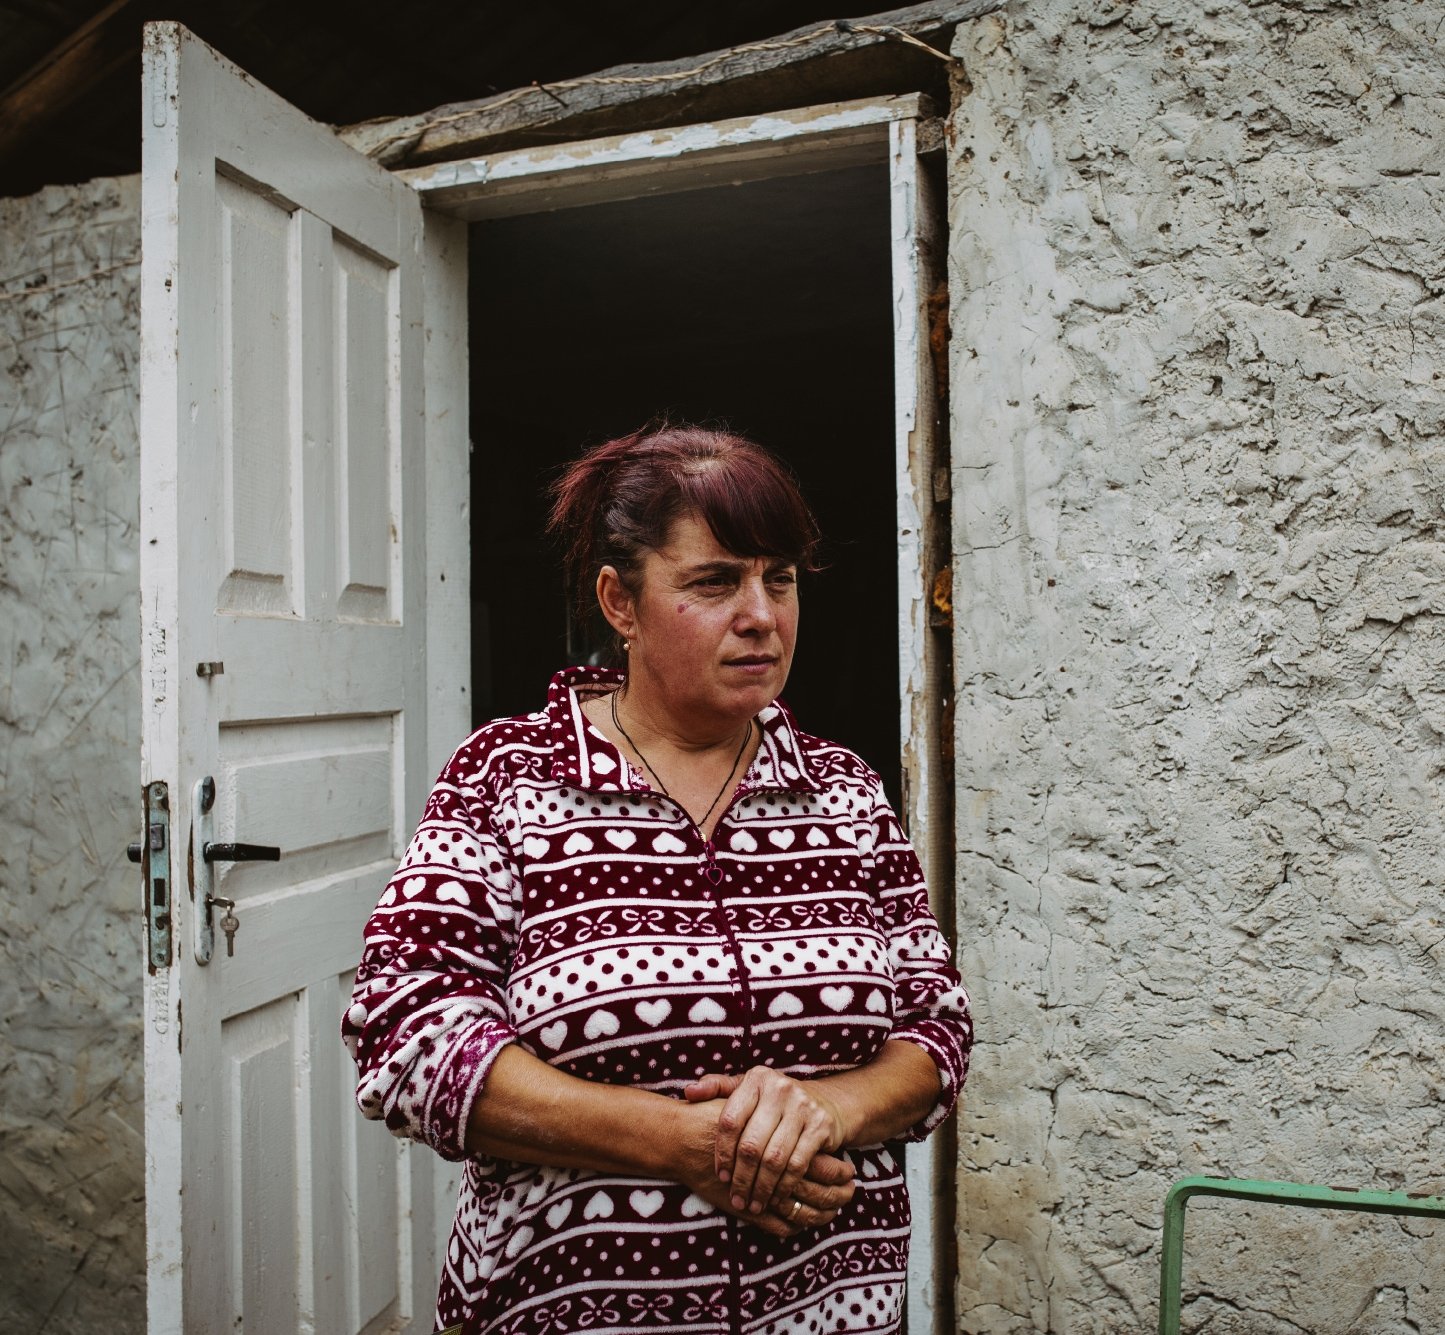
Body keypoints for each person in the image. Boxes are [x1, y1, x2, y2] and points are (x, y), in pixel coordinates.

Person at [344, 423, 973, 1335]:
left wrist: (826, 1107)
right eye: (715, 582)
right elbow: (406, 1036)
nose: (761, 613)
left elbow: (935, 1027)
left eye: (780, 578)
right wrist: (683, 1144)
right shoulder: (508, 779)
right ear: (620, 602)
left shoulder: (843, 791)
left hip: (827, 1308)